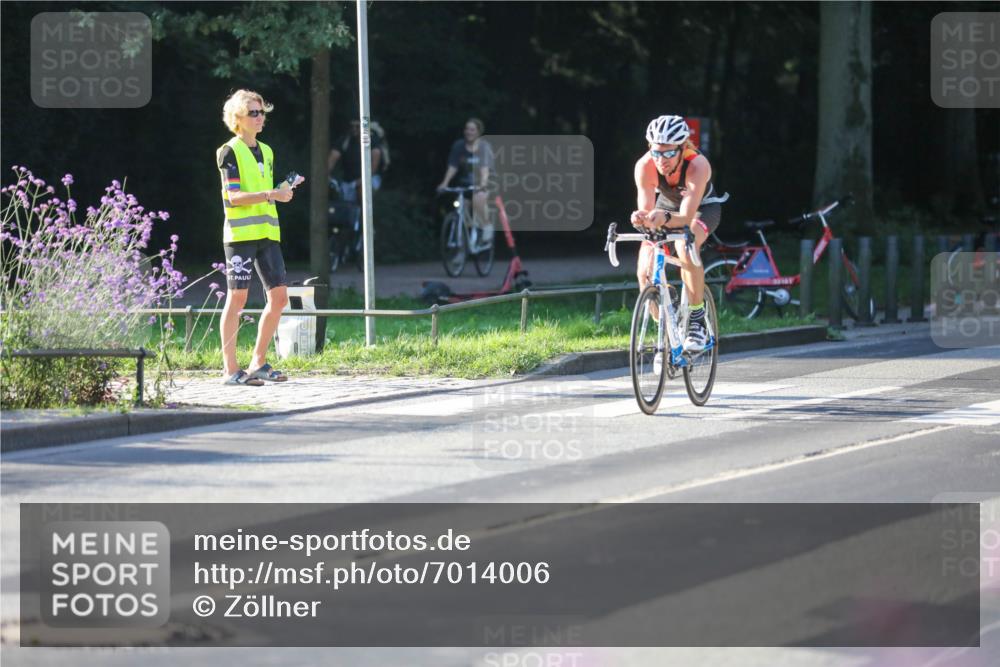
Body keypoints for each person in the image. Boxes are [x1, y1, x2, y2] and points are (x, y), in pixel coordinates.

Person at [216, 89, 303, 386]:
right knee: (237, 299)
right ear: (237, 118)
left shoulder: (266, 150)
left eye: (262, 111)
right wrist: (271, 194)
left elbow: (266, 192)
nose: (260, 117)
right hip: (240, 235)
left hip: (267, 233)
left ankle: (259, 362)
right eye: (254, 113)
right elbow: (234, 197)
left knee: (279, 298)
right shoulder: (229, 151)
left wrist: (281, 190)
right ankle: (230, 370)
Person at [631, 114, 728, 353]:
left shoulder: (698, 165)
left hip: (702, 210)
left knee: (686, 246)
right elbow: (646, 208)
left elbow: (685, 217)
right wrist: (641, 217)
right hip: (665, 208)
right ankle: (665, 327)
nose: (661, 160)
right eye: (656, 152)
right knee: (644, 272)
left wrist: (663, 218)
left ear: (682, 148)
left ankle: (696, 319)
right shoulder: (644, 166)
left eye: (668, 153)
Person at [436, 118, 494, 252]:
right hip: (465, 184)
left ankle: (486, 226)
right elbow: (453, 167)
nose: (469, 132)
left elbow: (484, 168)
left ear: (479, 132)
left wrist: (483, 184)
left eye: (472, 129)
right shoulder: (458, 146)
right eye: (467, 129)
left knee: (478, 199)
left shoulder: (483, 147)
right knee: (461, 208)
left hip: (482, 183)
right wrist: (444, 183)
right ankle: (461, 251)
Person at [327, 119, 383, 203]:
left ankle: (364, 213)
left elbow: (374, 166)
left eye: (357, 126)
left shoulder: (372, 141)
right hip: (348, 182)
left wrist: (362, 180)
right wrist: (325, 176)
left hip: (370, 179)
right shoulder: (344, 141)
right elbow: (331, 160)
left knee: (362, 188)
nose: (354, 129)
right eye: (352, 126)